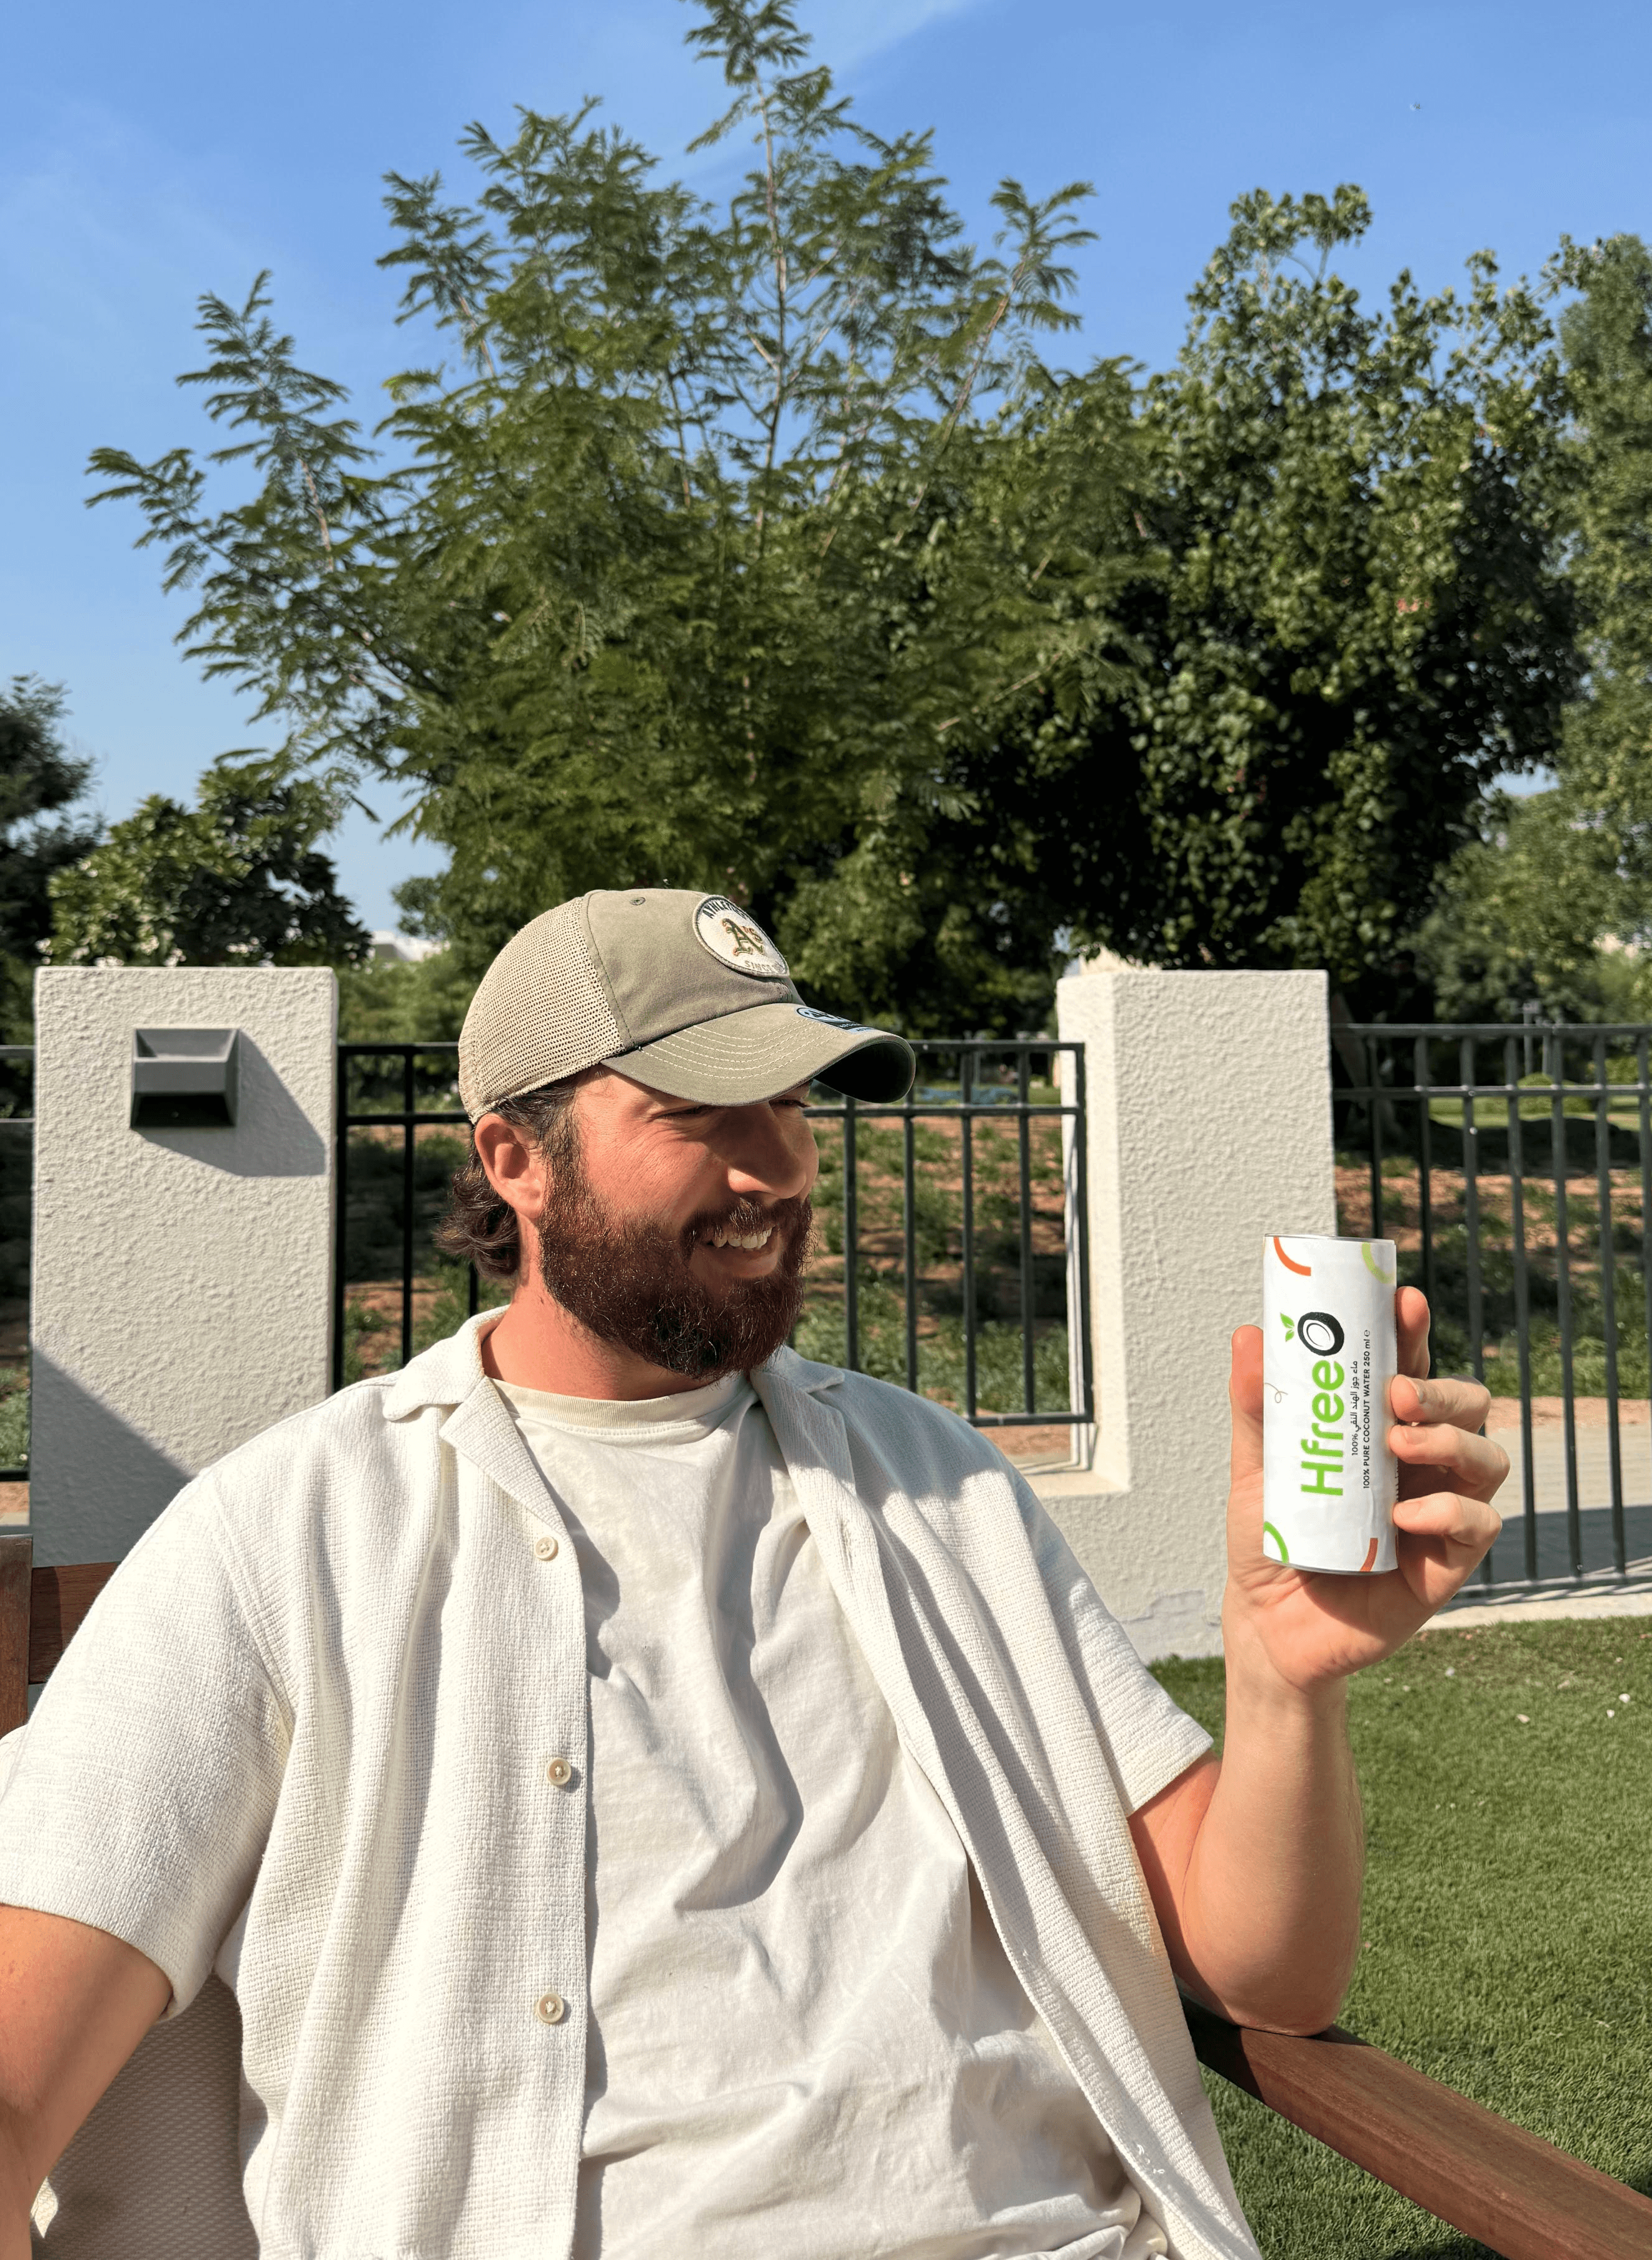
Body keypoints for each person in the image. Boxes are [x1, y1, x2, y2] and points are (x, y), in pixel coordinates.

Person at [0, 888, 1505, 2259]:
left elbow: (1267, 1979)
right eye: (696, 1110)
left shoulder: (938, 1482)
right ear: (513, 1158)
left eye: (787, 1101)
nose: (773, 1166)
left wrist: (1284, 1677)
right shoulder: (289, 1533)